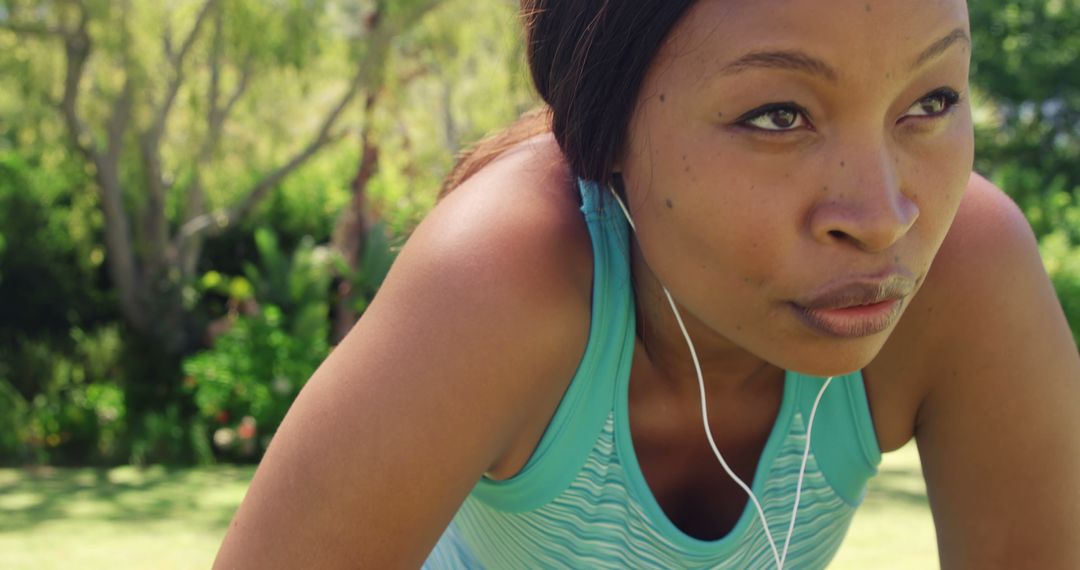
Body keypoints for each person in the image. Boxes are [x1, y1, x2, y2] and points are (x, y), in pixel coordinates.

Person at [213, 0, 1080, 568]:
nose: (884, 214)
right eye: (778, 115)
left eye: (931, 102)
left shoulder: (965, 267)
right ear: (603, 130)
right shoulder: (505, 278)